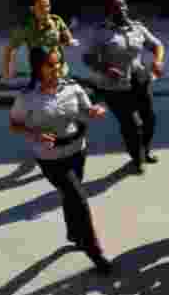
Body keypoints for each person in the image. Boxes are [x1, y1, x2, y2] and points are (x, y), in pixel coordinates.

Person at [9, 47, 112, 274]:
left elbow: (84, 110)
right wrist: (35, 135)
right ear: (38, 68)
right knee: (79, 199)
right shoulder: (27, 97)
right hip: (50, 159)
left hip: (77, 151)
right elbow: (14, 124)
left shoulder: (73, 88)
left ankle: (73, 233)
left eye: (58, 64)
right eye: (50, 65)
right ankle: (94, 251)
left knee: (71, 195)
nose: (56, 69)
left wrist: (93, 111)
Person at [84, 0, 165, 174]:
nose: (121, 9)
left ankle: (144, 150)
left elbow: (157, 45)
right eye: (115, 7)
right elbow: (88, 58)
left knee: (149, 119)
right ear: (108, 10)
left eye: (122, 5)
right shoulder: (100, 32)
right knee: (131, 125)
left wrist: (158, 61)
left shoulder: (137, 27)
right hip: (114, 86)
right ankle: (137, 158)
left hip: (139, 79)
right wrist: (105, 68)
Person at [2, 0, 78, 80]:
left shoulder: (56, 20)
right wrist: (8, 71)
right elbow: (10, 49)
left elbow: (68, 38)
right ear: (33, 9)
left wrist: (70, 42)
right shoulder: (27, 28)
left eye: (47, 6)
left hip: (61, 71)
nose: (46, 10)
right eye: (41, 7)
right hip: (42, 75)